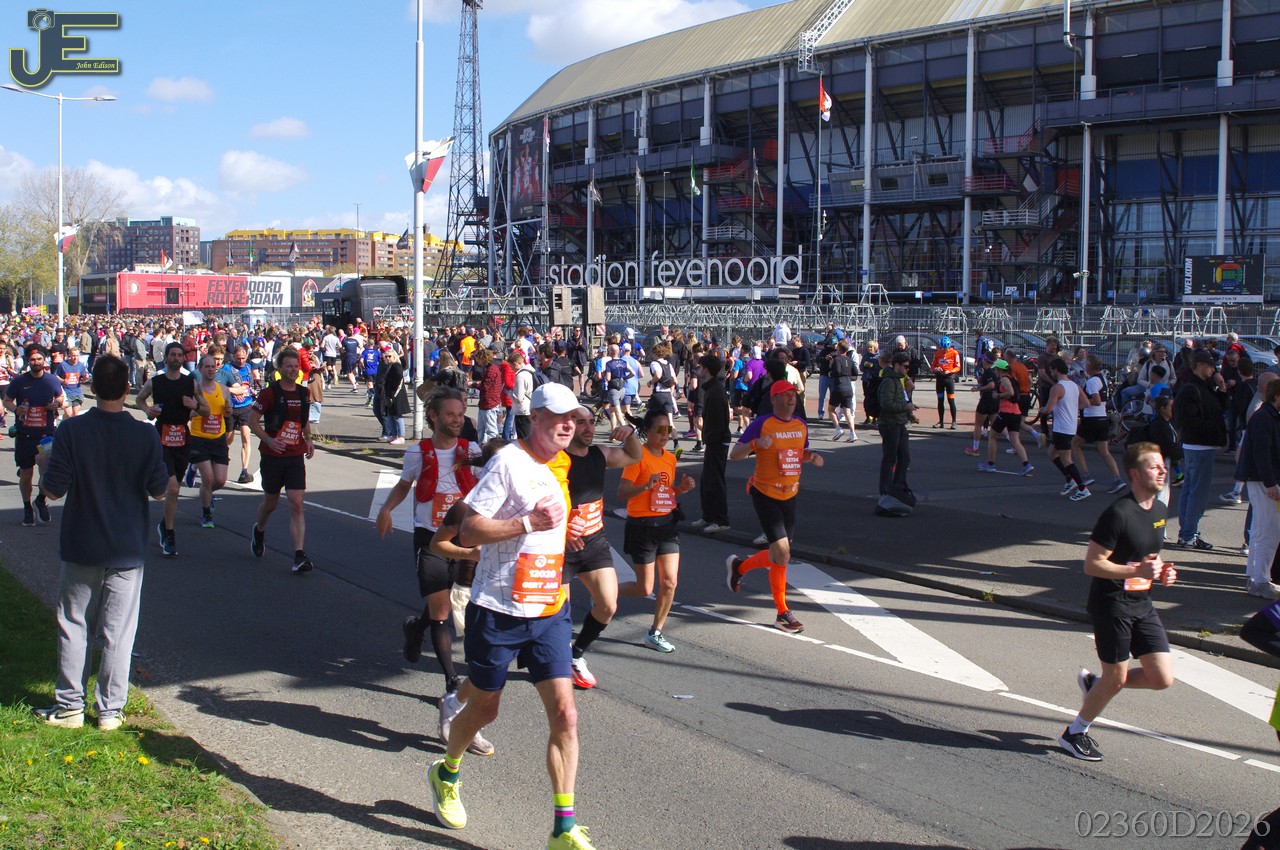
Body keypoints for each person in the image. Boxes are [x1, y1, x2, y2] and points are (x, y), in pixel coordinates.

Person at [430, 382, 602, 850]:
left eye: (574, 419)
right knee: (486, 708)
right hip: (499, 610)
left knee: (566, 714)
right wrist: (528, 523)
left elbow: (550, 526)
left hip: (549, 609)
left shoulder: (560, 463)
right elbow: (468, 530)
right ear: (536, 418)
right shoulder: (508, 461)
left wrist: (562, 536)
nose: (569, 426)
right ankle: (447, 772)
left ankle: (563, 828)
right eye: (560, 417)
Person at [33, 355, 168, 730]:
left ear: (91, 387)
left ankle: (70, 705)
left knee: (74, 625)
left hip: (82, 542)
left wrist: (44, 467)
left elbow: (53, 490)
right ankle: (110, 709)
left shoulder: (72, 431)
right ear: (126, 389)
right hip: (126, 547)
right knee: (118, 634)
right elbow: (159, 490)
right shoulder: (145, 434)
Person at [375, 388, 494, 755]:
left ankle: (416, 627)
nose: (457, 420)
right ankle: (451, 685)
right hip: (429, 538)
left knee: (455, 600)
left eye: (461, 414)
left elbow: (491, 480)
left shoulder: (472, 451)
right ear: (434, 417)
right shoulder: (418, 452)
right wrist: (386, 509)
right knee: (441, 609)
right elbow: (404, 485)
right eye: (451, 414)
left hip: (465, 537)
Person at [1058, 442, 1176, 762]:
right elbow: (1092, 564)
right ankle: (1074, 733)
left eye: (1162, 465)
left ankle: (1097, 685)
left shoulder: (1159, 509)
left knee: (1161, 677)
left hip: (1142, 602)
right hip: (1112, 604)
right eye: (1154, 466)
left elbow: (1147, 554)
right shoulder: (1118, 513)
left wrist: (1162, 570)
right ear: (1135, 473)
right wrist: (1137, 570)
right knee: (1117, 678)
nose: (1162, 470)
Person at [725, 381, 824, 633]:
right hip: (764, 493)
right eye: (786, 395)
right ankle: (782, 613)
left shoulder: (800, 425)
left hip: (789, 495)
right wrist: (755, 444)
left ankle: (739, 567)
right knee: (782, 553)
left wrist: (811, 456)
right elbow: (734, 455)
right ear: (774, 399)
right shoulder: (762, 423)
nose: (791, 399)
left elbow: (799, 453)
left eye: (794, 394)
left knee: (777, 555)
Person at [564, 406, 643, 686]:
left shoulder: (599, 453)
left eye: (590, 422)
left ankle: (576, 654)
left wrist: (630, 433)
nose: (588, 428)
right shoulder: (557, 460)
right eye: (580, 422)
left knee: (608, 605)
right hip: (561, 546)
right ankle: (552, 657)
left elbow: (634, 456)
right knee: (558, 616)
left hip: (594, 541)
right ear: (567, 426)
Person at [616, 408, 696, 651]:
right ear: (647, 431)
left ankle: (655, 632)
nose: (665, 434)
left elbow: (665, 493)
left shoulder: (670, 458)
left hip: (667, 525)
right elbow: (621, 493)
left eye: (668, 429)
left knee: (670, 582)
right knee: (644, 588)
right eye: (659, 430)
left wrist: (681, 489)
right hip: (642, 527)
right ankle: (604, 593)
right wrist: (644, 487)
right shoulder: (637, 457)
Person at [136, 342, 208, 557]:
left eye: (179, 355)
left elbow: (206, 410)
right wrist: (148, 410)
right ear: (166, 358)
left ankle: (164, 525)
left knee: (173, 489)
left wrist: (194, 406)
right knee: (174, 488)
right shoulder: (155, 382)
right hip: (162, 437)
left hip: (183, 438)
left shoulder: (190, 383)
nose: (176, 358)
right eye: (173, 355)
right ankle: (169, 533)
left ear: (184, 358)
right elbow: (139, 399)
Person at [248, 347, 316, 574]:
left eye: (296, 366)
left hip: (295, 454)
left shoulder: (303, 393)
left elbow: (304, 421)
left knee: (296, 503)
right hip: (272, 455)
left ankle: (299, 555)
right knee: (271, 503)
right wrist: (268, 440)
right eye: (289, 366)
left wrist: (309, 440)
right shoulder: (269, 393)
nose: (293, 370)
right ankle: (259, 530)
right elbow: (252, 420)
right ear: (279, 368)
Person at [5, 345, 65, 526]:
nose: (36, 362)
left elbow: (61, 397)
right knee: (26, 474)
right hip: (25, 434)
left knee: (46, 472)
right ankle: (27, 507)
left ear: (44, 360)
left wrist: (56, 404)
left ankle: (40, 500)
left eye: (39, 359)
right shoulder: (19, 381)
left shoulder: (52, 380)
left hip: (46, 435)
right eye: (32, 360)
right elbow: (7, 400)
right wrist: (16, 409)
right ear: (28, 361)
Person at [1174, 350, 1228, 549]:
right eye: (1210, 366)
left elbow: (1220, 407)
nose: (1213, 370)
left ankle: (1187, 533)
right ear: (1199, 366)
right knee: (1198, 492)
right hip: (1199, 445)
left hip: (1198, 444)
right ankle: (1189, 534)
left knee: (1191, 490)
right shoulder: (1192, 389)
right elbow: (1190, 419)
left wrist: (1222, 389)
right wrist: (1212, 429)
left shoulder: (1203, 387)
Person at [1235, 379, 1280, 599]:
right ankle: (1260, 580)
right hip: (1264, 481)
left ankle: (1255, 578)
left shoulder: (1267, 415)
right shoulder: (1265, 417)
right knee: (1268, 531)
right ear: (1277, 396)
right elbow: (1262, 453)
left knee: (1263, 530)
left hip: (1263, 480)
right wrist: (1270, 483)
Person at [187, 353, 233, 530]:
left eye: (213, 366)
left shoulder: (224, 390)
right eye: (207, 367)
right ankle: (206, 514)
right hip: (199, 437)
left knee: (219, 481)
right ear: (200, 369)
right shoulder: (195, 390)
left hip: (218, 438)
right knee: (208, 478)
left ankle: (201, 483)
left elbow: (226, 412)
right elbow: (189, 414)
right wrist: (198, 409)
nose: (211, 369)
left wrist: (228, 410)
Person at [1072, 355, 1127, 496]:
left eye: (1086, 363)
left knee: (1075, 445)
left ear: (1090, 366)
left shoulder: (1092, 382)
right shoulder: (1101, 378)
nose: (1085, 365)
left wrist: (1081, 402)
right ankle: (1117, 479)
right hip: (1102, 419)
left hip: (1092, 419)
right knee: (1104, 451)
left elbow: (1096, 401)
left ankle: (1085, 475)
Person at [693, 352, 733, 534]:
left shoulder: (715, 391)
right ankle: (708, 516)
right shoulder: (712, 388)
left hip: (717, 442)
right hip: (714, 440)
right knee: (707, 480)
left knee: (715, 481)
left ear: (706, 369)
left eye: (701, 367)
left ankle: (721, 519)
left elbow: (718, 422)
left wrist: (709, 436)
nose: (699, 370)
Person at [1045, 358, 1090, 501]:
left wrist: (1042, 409)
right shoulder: (1074, 386)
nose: (1051, 373)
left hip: (1062, 427)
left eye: (1051, 370)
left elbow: (1049, 409)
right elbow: (1086, 403)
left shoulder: (1057, 388)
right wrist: (1073, 407)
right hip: (1070, 425)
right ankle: (1070, 480)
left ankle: (1082, 488)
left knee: (1066, 459)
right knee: (1051, 453)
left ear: (1056, 370)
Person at [978, 360, 1033, 476]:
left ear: (1000, 370)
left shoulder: (1004, 379)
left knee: (992, 436)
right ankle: (1026, 464)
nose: (995, 371)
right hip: (1016, 412)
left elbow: (1010, 393)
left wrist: (998, 395)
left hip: (1006, 412)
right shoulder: (1012, 378)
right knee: (1015, 440)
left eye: (996, 369)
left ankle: (990, 463)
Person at [875, 352, 916, 500]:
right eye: (905, 367)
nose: (907, 370)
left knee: (905, 457)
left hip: (899, 422)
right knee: (889, 458)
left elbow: (900, 400)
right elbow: (886, 404)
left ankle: (899, 487)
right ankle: (885, 491)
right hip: (890, 424)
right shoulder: (888, 381)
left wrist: (908, 413)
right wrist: (906, 407)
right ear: (897, 365)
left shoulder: (898, 379)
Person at [217, 344, 257, 484]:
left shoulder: (248, 367)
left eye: (243, 358)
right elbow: (221, 385)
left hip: (246, 406)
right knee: (228, 439)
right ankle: (221, 458)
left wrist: (252, 391)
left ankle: (244, 471)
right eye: (238, 358)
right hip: (231, 407)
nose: (241, 361)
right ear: (233, 356)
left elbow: (249, 384)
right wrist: (233, 392)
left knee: (246, 436)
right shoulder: (227, 369)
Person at [826, 340, 858, 441]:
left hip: (839, 387)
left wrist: (831, 373)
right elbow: (855, 374)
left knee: (831, 409)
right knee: (847, 411)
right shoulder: (850, 360)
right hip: (848, 388)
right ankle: (853, 433)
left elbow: (837, 371)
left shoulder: (837, 359)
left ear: (839, 349)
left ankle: (838, 428)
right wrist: (848, 376)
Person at [930, 335, 961, 429]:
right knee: (940, 400)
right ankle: (941, 422)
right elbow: (932, 366)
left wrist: (950, 371)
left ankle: (954, 422)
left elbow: (958, 367)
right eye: (943, 348)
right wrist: (936, 369)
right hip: (940, 379)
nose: (944, 350)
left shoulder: (954, 353)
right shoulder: (937, 353)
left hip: (949, 379)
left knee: (951, 400)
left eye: (946, 348)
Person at [53, 345, 88, 418]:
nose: (75, 358)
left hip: (77, 392)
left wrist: (85, 378)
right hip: (66, 392)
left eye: (77, 355)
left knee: (75, 414)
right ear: (69, 355)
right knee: (69, 414)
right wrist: (63, 381)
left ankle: (66, 422)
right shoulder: (63, 365)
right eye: (73, 355)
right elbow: (55, 376)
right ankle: (65, 421)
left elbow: (82, 379)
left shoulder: (81, 365)